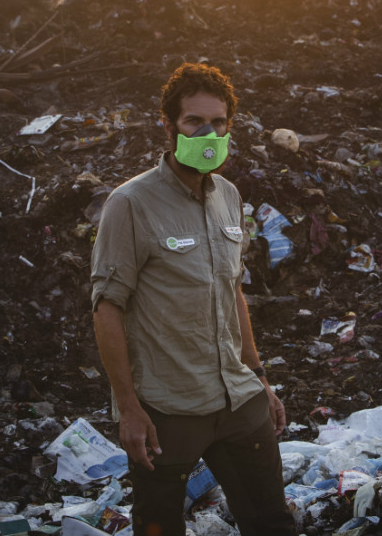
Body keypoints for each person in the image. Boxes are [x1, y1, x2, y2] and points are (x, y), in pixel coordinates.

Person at [90, 63, 295, 536]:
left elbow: (232, 291)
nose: (209, 132)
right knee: (161, 527)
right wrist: (129, 408)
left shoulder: (228, 195)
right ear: (167, 125)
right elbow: (107, 307)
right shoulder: (130, 204)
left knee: (273, 522)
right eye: (194, 122)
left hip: (238, 399)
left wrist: (259, 377)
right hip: (169, 409)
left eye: (219, 123)